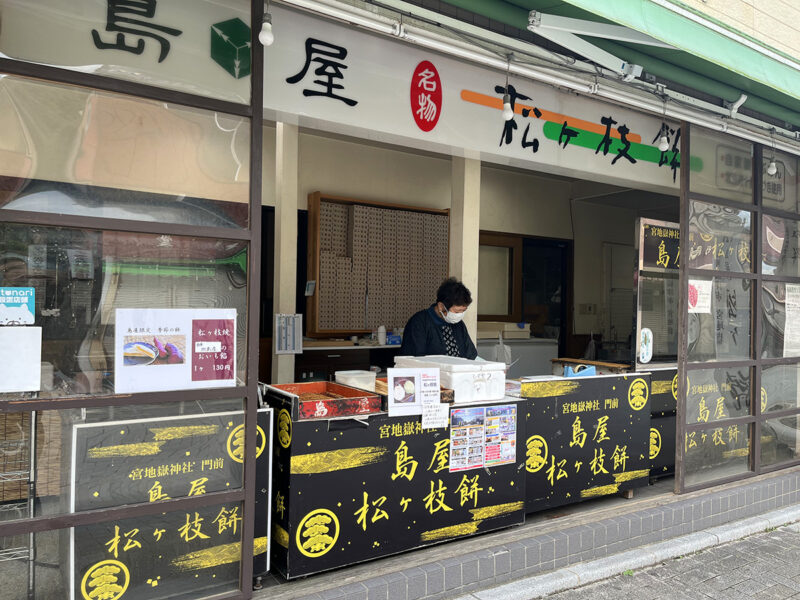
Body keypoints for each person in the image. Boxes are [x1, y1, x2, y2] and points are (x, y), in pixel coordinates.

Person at [400, 277, 478, 358]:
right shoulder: (419, 322)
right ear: (441, 306)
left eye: (463, 311)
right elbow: (415, 359)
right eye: (457, 312)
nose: (460, 315)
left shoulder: (459, 324)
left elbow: (471, 355)